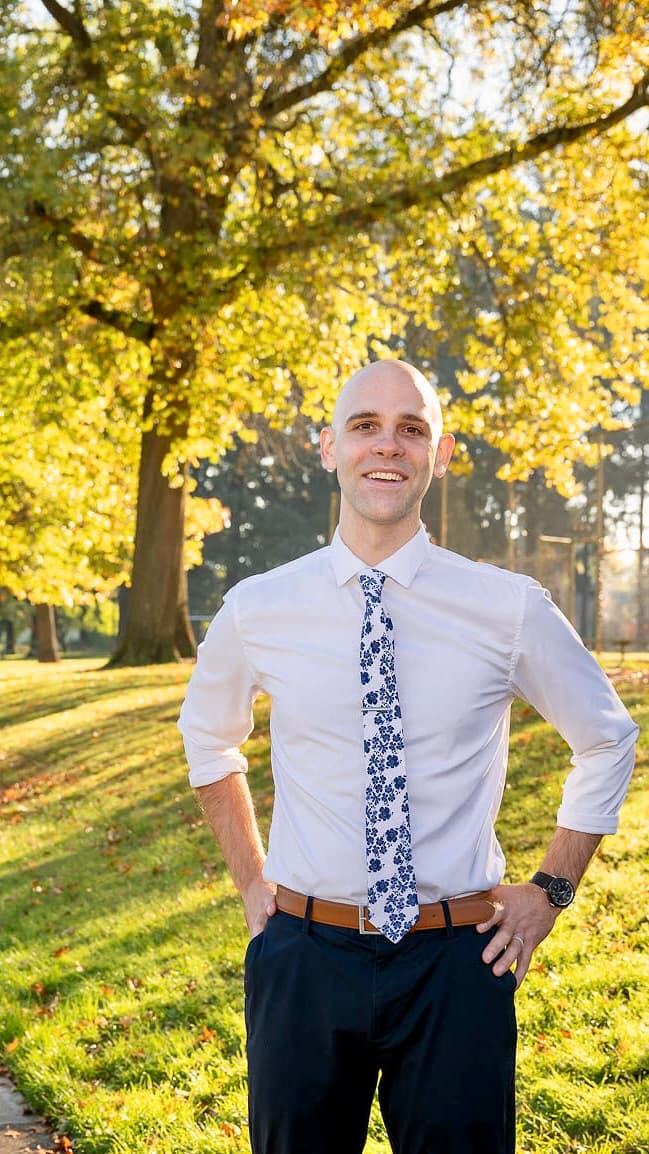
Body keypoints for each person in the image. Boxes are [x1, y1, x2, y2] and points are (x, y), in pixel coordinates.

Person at [178, 359, 638, 1154]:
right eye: (363, 426)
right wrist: (251, 877)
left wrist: (551, 890)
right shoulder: (258, 608)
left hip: (456, 964)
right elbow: (207, 737)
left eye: (410, 428)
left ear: (441, 453)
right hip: (303, 959)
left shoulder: (506, 608)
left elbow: (607, 736)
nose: (385, 446)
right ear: (328, 447)